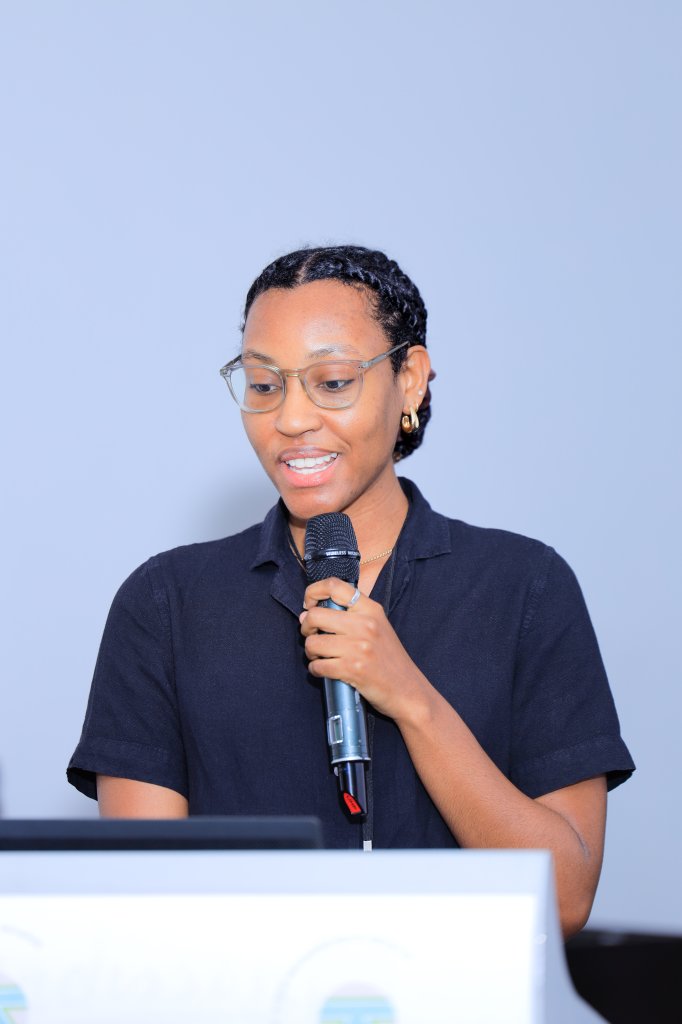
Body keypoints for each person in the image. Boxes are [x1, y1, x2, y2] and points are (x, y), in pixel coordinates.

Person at [68, 244, 634, 936]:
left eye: (332, 381)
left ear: (410, 380)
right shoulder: (166, 606)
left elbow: (565, 901)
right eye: (264, 385)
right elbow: (143, 912)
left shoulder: (525, 587)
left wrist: (412, 698)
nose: (291, 419)